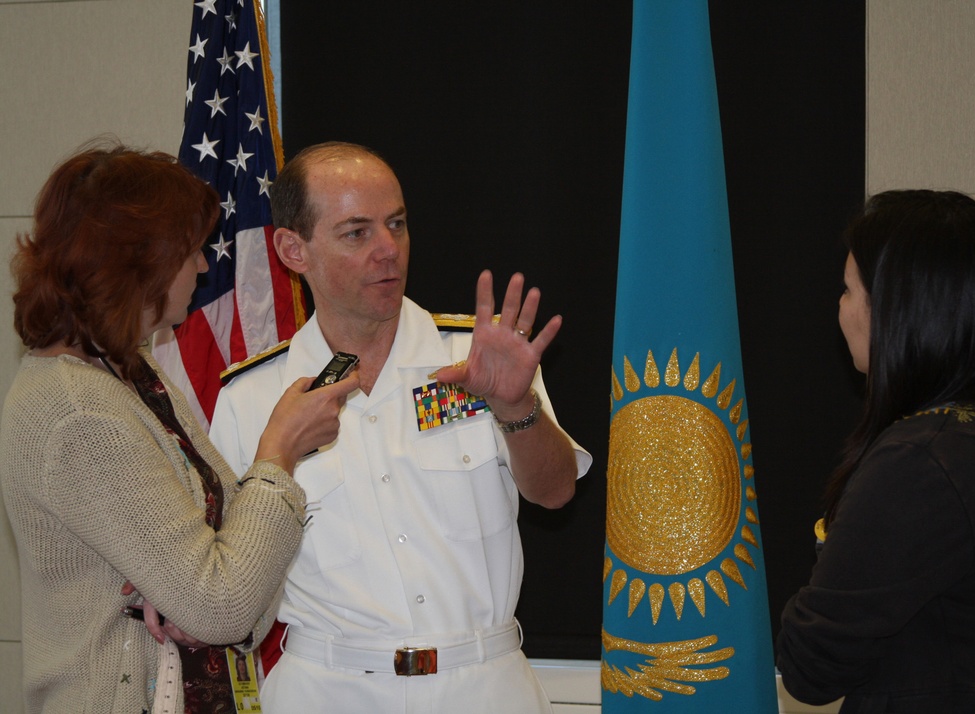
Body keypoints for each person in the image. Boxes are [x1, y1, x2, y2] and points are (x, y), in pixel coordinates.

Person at [209, 141, 592, 712]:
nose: (388, 249)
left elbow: (557, 491)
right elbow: (228, 574)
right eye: (356, 232)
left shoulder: (477, 357)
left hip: (483, 686)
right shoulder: (251, 398)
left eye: (397, 224)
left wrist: (515, 408)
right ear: (293, 249)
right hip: (328, 691)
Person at [0, 144, 356, 714]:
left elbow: (237, 596)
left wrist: (203, 595)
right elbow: (226, 605)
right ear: (137, 262)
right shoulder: (78, 411)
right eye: (189, 251)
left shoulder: (129, 376)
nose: (202, 266)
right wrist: (279, 453)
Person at [776, 190, 975, 712]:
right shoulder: (973, 442)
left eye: (848, 289)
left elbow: (810, 664)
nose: (841, 307)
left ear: (898, 310)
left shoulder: (919, 462)